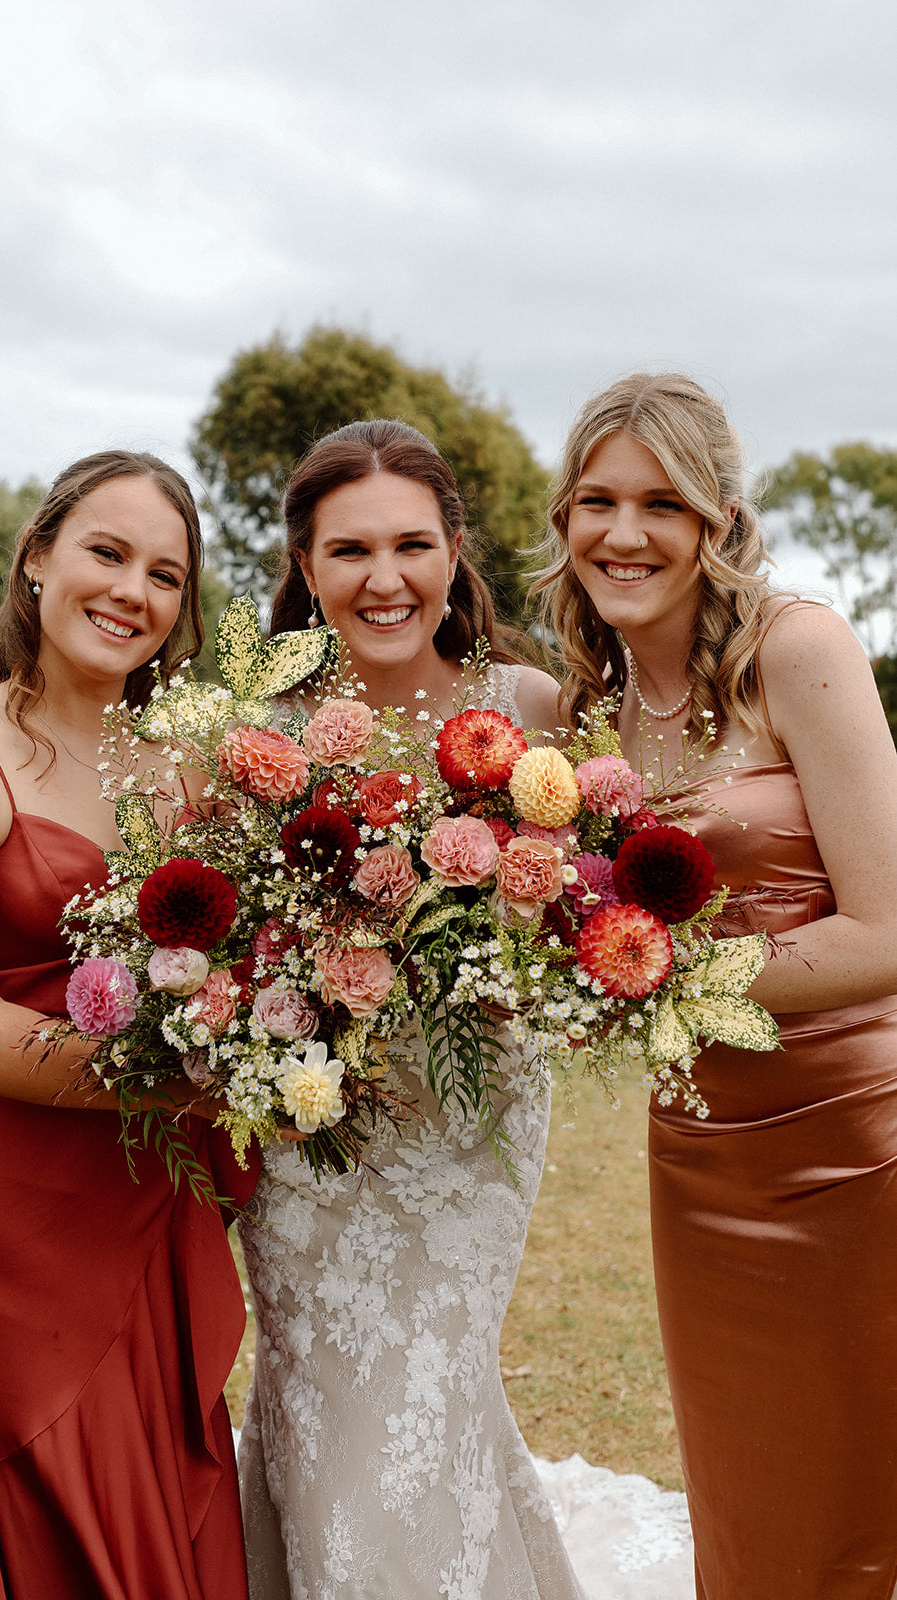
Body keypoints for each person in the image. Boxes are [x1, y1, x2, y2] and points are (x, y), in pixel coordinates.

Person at [533, 372, 897, 1600]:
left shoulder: (797, 649)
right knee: (747, 1501)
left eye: (659, 504)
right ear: (562, 518)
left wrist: (670, 975)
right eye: (596, 500)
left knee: (860, 1499)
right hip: (698, 1146)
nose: (622, 534)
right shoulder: (589, 706)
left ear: (715, 523)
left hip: (854, 1141)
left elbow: (886, 928)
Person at [0, 451, 255, 1600]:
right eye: (106, 551)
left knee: (167, 1507)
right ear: (38, 555)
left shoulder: (192, 765)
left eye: (165, 574)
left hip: (155, 1210)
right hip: (12, 1224)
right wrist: (191, 1081)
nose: (131, 592)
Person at [235, 419, 586, 1599]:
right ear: (304, 565)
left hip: (466, 1122)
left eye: (409, 545)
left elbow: (569, 914)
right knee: (326, 1394)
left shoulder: (530, 706)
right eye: (347, 551)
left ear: (451, 551)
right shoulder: (256, 731)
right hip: (309, 1131)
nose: (381, 579)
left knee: (431, 1384)